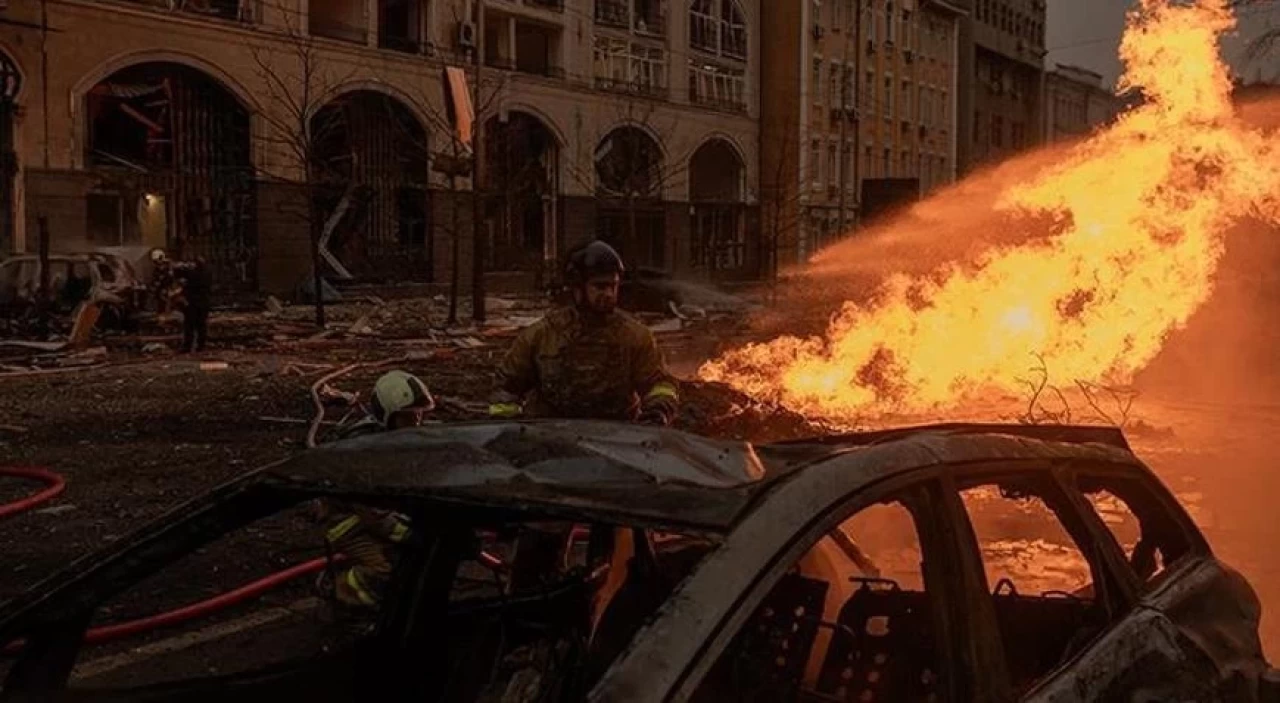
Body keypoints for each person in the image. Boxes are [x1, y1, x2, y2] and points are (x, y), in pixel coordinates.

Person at [489, 240, 679, 426]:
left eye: (613, 286)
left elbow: (659, 384)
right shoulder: (541, 336)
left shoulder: (635, 337)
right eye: (600, 286)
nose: (609, 294)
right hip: (553, 441)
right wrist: (510, 428)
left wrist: (658, 410)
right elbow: (506, 387)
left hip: (617, 441)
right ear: (577, 288)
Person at [317, 370, 435, 609]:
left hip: (377, 515)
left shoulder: (396, 440)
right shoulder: (364, 450)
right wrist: (408, 535)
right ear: (387, 416)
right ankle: (343, 592)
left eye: (419, 415)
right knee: (387, 570)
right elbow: (371, 511)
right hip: (346, 522)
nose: (416, 423)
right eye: (407, 418)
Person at [174, 257, 212, 353]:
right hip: (204, 303)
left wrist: (180, 267)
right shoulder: (207, 274)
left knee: (189, 325)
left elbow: (183, 278)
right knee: (201, 325)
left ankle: (188, 346)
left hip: (192, 303)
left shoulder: (193, 275)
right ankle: (200, 346)